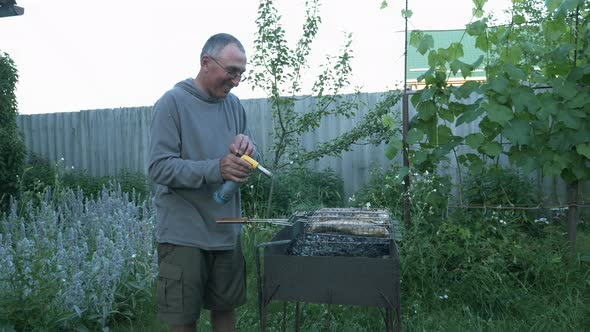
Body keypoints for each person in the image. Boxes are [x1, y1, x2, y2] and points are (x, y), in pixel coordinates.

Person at [148, 33, 258, 332]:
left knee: (225, 311)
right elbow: (159, 168)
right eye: (231, 71)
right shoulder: (172, 103)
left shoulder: (234, 106)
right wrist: (217, 168)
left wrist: (247, 151)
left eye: (241, 74)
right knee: (183, 320)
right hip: (184, 235)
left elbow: (241, 157)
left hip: (225, 231)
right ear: (206, 62)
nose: (236, 80)